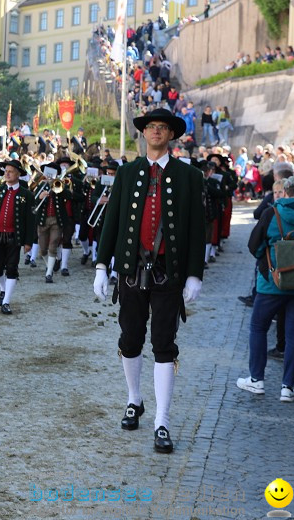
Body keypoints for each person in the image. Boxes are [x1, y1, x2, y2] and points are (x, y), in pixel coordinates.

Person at [94, 107, 205, 454]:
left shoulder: (190, 177)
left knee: (164, 343)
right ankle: (134, 399)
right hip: (130, 269)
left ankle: (162, 419)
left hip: (167, 272)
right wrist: (101, 264)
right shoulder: (127, 173)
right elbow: (112, 219)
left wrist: (194, 274)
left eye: (162, 127)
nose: (156, 132)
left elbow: (196, 231)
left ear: (171, 135)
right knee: (129, 339)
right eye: (151, 127)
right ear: (143, 134)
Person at [236, 176, 294, 402]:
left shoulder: (271, 213)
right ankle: (288, 386)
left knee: (258, 327)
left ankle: (257, 379)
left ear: (285, 192)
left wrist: (267, 263)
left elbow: (253, 246)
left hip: (271, 284)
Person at [0, 159, 35, 315]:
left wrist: (28, 242)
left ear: (18, 174)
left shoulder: (26, 195)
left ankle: (6, 302)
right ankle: (3, 288)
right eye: (6, 171)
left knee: (12, 268)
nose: (7, 174)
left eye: (10, 171)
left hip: (14, 237)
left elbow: (30, 221)